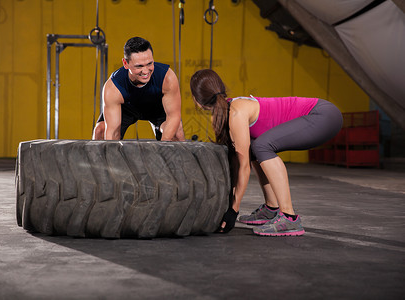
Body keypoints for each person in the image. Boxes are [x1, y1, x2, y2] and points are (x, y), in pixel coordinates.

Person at [190, 69, 343, 236]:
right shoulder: (224, 114)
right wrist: (228, 204)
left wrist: (233, 210)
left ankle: (289, 218)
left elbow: (243, 167)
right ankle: (271, 208)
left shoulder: (236, 111)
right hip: (325, 115)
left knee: (261, 145)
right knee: (255, 146)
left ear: (196, 101)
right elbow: (238, 159)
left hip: (323, 115)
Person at [93, 37, 185, 141]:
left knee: (177, 133)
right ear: (125, 64)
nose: (145, 71)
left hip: (157, 108)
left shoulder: (167, 77)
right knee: (100, 130)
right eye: (139, 66)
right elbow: (112, 132)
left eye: (149, 64)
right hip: (126, 108)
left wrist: (163, 148)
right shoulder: (113, 87)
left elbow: (174, 116)